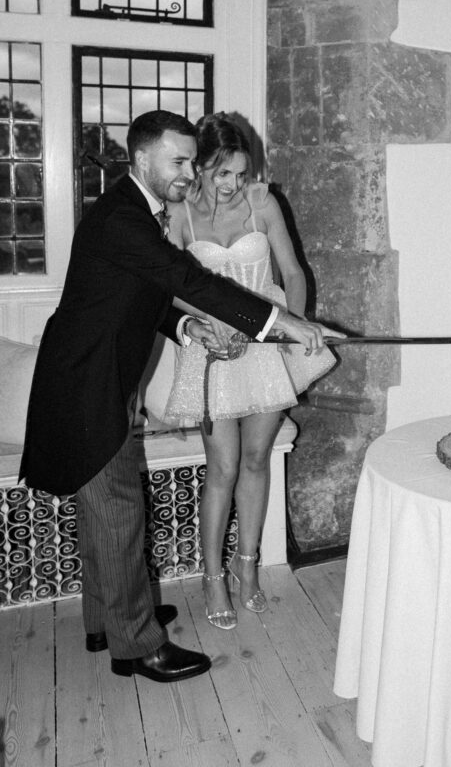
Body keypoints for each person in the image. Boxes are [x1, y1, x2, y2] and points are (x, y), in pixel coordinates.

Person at [19, 109, 342, 684]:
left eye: (193, 160)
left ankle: (108, 618)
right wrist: (283, 324)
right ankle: (137, 645)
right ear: (142, 158)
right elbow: (190, 281)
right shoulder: (127, 217)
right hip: (87, 383)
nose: (190, 172)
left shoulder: (132, 209)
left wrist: (190, 330)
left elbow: (156, 296)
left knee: (105, 514)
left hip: (97, 377)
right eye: (180, 160)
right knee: (119, 512)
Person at [163, 113, 336, 629]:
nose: (234, 185)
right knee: (223, 468)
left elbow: (292, 270)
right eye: (223, 174)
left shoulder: (263, 202)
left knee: (259, 458)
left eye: (241, 173)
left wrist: (295, 327)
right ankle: (212, 576)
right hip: (213, 349)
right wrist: (200, 323)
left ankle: (248, 566)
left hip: (268, 343)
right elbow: (169, 285)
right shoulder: (180, 214)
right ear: (202, 167)